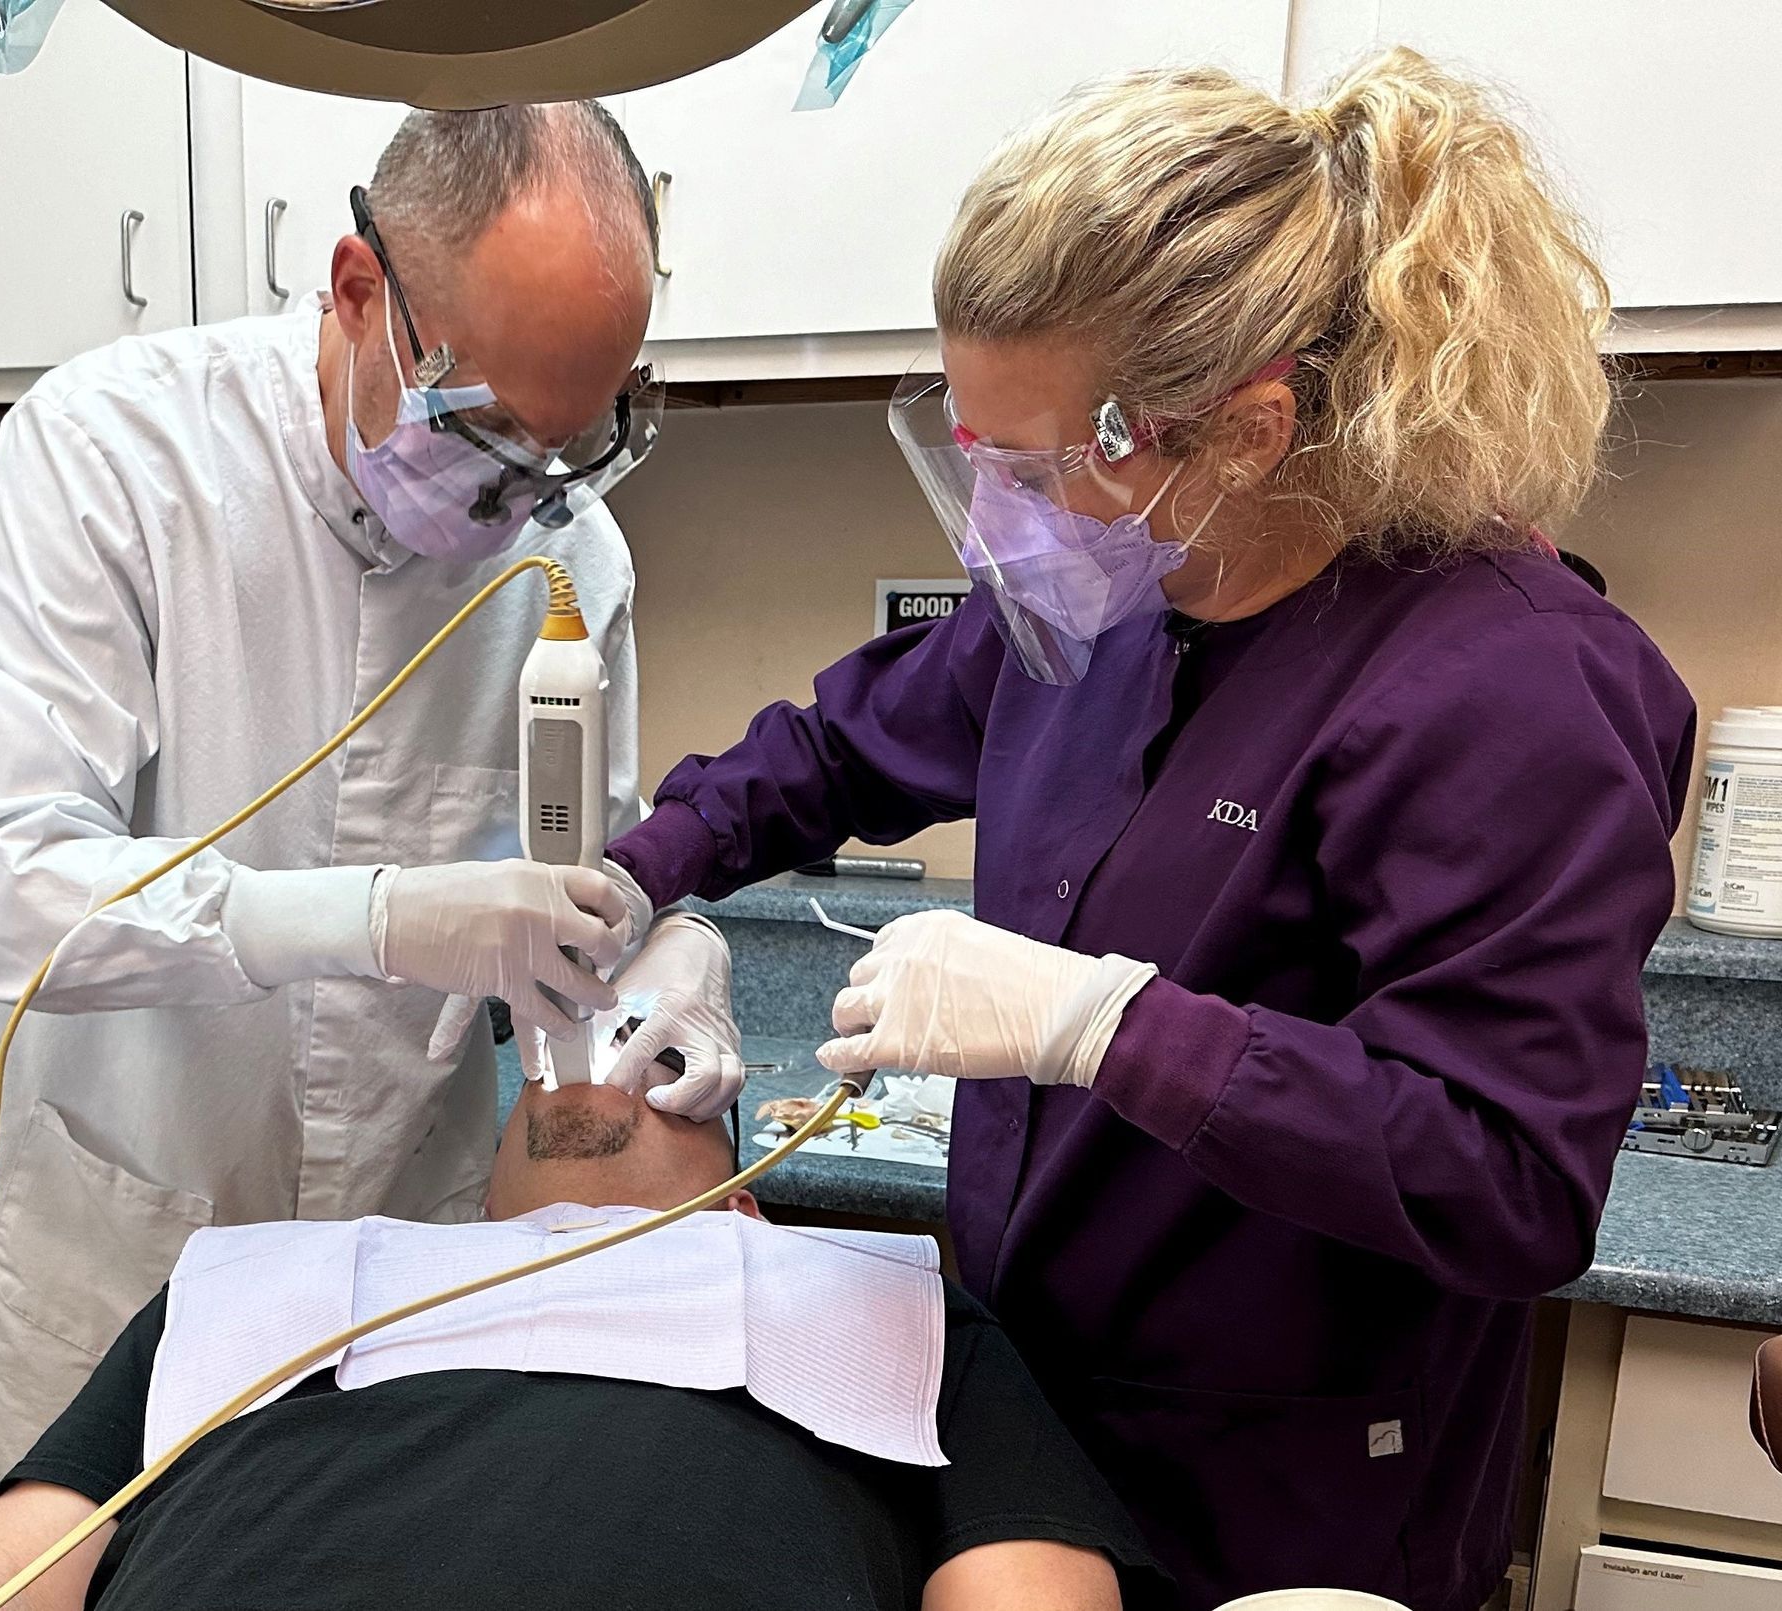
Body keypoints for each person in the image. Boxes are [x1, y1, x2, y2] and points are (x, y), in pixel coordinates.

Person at [596, 49, 1697, 1611]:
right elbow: (838, 748)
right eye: (974, 457)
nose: (998, 532)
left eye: (1037, 470)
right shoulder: (1099, 600)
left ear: (1244, 431)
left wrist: (1104, 1024)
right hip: (1038, 1414)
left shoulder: (1503, 686)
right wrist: (637, 872)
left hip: (1295, 1492)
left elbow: (1508, 1179)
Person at [0, 102, 741, 1504]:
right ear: (360, 290)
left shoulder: (572, 555)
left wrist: (661, 951)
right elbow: (10, 886)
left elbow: (573, 895)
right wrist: (380, 917)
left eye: (580, 441)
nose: (531, 494)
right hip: (125, 1252)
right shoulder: (114, 457)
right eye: (486, 428)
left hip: (397, 1269)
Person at [0, 1077, 1164, 1611]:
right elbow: (3, 1574)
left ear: (745, 1194)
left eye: (674, 1085)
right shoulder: (273, 1281)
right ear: (481, 1197)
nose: (599, 1076)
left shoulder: (869, 1297)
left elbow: (1030, 1593)